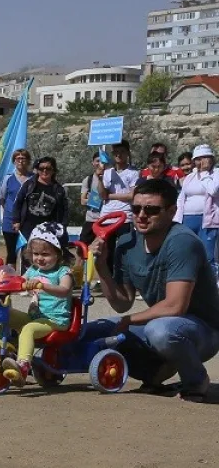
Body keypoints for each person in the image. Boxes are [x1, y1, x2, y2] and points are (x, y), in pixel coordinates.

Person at [89, 178, 219, 401]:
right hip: (162, 323)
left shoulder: (182, 242)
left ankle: (197, 382)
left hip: (203, 331)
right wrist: (101, 267)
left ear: (171, 211)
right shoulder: (126, 243)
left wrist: (129, 320)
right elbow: (122, 302)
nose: (141, 215)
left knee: (159, 331)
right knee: (95, 330)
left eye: (151, 209)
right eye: (136, 208)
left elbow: (175, 305)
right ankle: (157, 372)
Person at [0, 223, 75, 385]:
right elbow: (19, 282)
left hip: (55, 320)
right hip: (35, 317)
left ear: (59, 253)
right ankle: (2, 351)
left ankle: (23, 366)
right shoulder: (34, 271)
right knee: (3, 313)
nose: (39, 258)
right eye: (36, 253)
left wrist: (43, 286)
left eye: (45, 254)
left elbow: (65, 290)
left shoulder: (63, 272)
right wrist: (6, 282)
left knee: (28, 329)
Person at [173, 144, 218, 282]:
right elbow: (182, 197)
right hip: (188, 219)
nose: (201, 162)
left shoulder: (216, 174)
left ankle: (212, 284)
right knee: (187, 251)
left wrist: (204, 174)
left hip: (208, 220)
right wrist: (177, 219)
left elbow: (213, 191)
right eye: (197, 159)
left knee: (208, 254)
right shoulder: (190, 177)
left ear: (211, 159)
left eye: (205, 158)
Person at [14, 156, 68, 245]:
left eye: (48, 168)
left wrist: (63, 226)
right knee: (27, 254)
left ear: (53, 170)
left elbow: (65, 209)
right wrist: (16, 221)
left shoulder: (58, 189)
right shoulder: (29, 185)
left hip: (49, 229)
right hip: (28, 227)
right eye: (41, 168)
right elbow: (18, 203)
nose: (44, 171)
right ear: (37, 170)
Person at [0, 149, 32, 267]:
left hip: (28, 220)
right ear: (14, 161)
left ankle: (26, 279)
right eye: (18, 158)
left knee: (27, 252)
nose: (20, 161)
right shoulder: (7, 178)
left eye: (23, 158)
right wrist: (11, 212)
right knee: (11, 252)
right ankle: (11, 280)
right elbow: (2, 198)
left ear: (28, 161)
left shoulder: (33, 179)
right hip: (10, 221)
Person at [79, 152, 105, 246]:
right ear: (93, 163)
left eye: (102, 161)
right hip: (91, 219)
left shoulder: (110, 179)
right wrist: (96, 200)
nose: (100, 164)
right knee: (82, 247)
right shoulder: (88, 180)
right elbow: (82, 201)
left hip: (105, 220)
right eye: (97, 161)